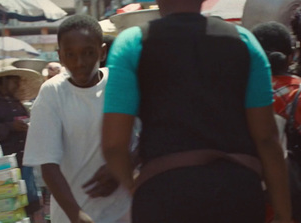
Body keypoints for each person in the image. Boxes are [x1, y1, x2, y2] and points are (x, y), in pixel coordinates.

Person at [101, 0, 292, 222]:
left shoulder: (133, 43)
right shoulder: (244, 41)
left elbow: (114, 145)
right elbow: (267, 138)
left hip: (164, 196)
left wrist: (136, 187)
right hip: (237, 195)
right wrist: (283, 214)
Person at [23, 14, 131, 223]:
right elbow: (48, 165)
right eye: (70, 55)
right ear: (60, 56)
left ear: (102, 52)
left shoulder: (120, 84)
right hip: (71, 215)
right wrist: (76, 215)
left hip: (122, 213)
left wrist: (120, 166)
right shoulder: (52, 93)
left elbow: (144, 138)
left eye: (88, 53)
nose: (79, 63)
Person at [0, 67, 43, 221]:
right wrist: (10, 127)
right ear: (3, 81)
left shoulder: (17, 103)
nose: (18, 85)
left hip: (24, 158)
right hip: (3, 164)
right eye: (14, 81)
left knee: (30, 199)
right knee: (10, 204)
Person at [252, 21, 301, 222]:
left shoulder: (238, 95)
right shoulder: (296, 94)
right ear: (290, 57)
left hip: (250, 199)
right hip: (291, 202)